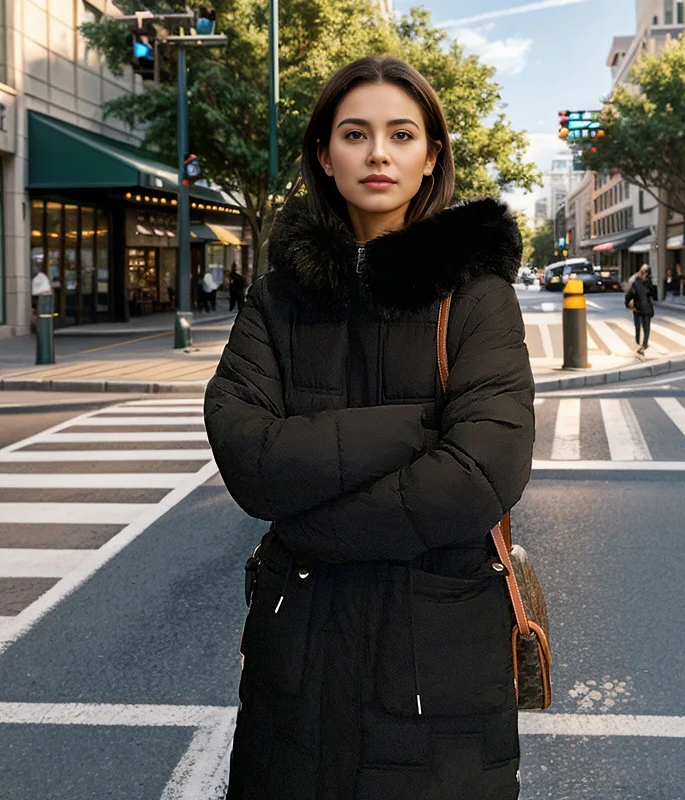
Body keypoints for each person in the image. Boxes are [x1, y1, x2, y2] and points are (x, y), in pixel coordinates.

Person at [204, 56, 535, 800]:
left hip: (440, 667)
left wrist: (310, 531)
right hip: (299, 660)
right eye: (355, 133)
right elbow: (247, 455)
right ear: (325, 154)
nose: (378, 152)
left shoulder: (477, 297)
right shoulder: (276, 300)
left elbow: (481, 475)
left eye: (401, 133)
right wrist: (416, 429)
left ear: (430, 157)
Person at [625, 264, 656, 355]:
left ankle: (639, 344)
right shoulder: (648, 284)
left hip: (638, 309)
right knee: (646, 328)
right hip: (646, 309)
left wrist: (628, 305)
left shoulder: (635, 284)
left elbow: (629, 295)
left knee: (638, 327)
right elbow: (654, 295)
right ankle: (644, 344)